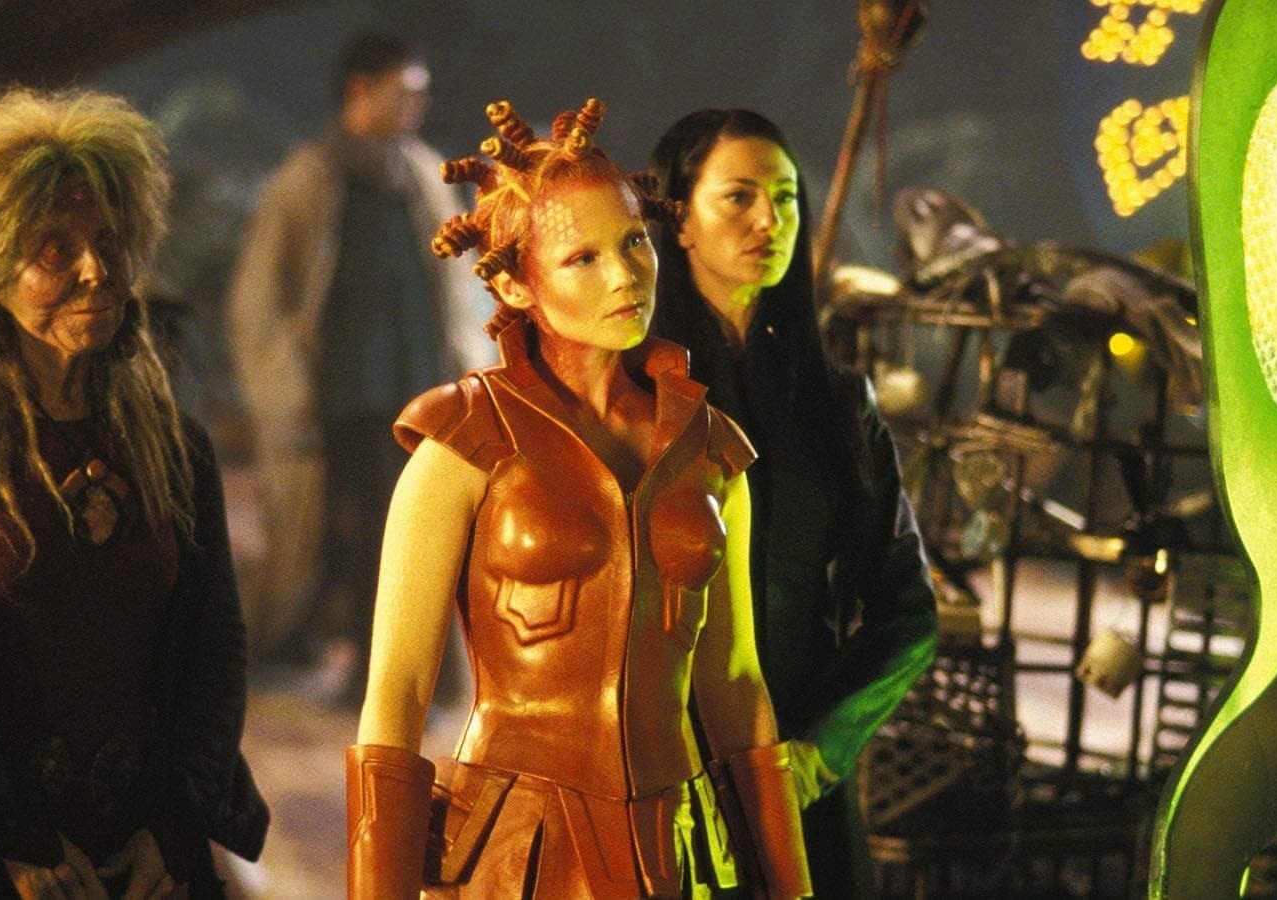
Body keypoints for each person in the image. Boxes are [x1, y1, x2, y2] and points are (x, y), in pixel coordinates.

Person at [348, 97, 811, 899]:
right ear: (515, 284)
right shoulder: (464, 441)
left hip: (675, 849)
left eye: (634, 242)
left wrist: (791, 887)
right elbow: (398, 691)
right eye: (582, 258)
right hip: (515, 856)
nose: (625, 275)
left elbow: (736, 686)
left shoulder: (710, 448)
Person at [0, 87, 268, 897]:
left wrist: (174, 829)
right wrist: (15, 840)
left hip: (142, 860)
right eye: (54, 248)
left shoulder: (175, 451)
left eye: (107, 241)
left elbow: (215, 646)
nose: (95, 270)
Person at [650, 109, 938, 898]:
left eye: (784, 199)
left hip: (794, 762)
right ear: (679, 219)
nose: (768, 222)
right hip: (662, 772)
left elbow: (906, 611)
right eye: (738, 197)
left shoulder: (837, 404)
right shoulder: (634, 399)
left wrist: (819, 751)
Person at [226, 32, 486, 691]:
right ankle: (367, 672)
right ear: (359, 90)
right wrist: (282, 382)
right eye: (404, 93)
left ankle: (416, 674)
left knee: (419, 531)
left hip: (417, 390)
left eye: (421, 94)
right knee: (357, 534)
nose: (417, 106)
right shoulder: (311, 177)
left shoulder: (422, 175)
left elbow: (455, 285)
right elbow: (261, 295)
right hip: (344, 396)